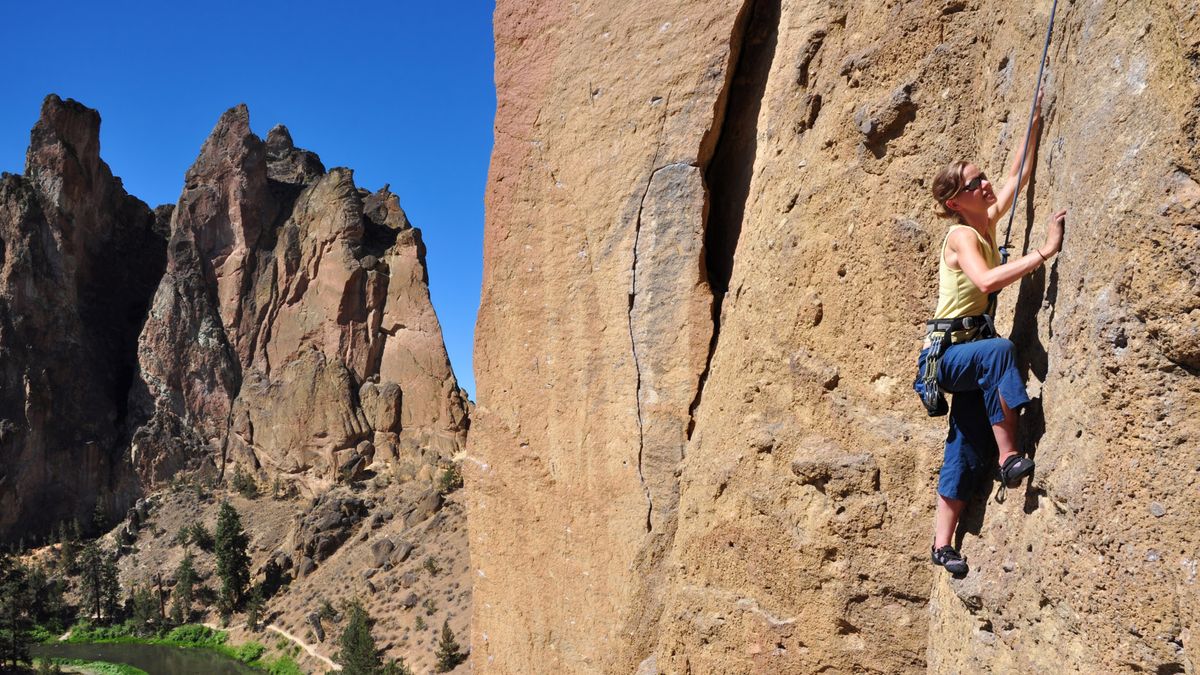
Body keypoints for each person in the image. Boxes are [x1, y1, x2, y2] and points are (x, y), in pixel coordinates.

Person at [925, 93, 1066, 575]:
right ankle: (1010, 458)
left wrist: (1034, 121)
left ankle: (942, 544)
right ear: (954, 202)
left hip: (972, 356)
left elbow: (1015, 176)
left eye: (981, 176)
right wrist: (1043, 253)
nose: (985, 184)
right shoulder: (962, 236)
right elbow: (986, 282)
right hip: (951, 357)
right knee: (1002, 350)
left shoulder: (984, 219)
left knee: (965, 439)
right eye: (973, 182)